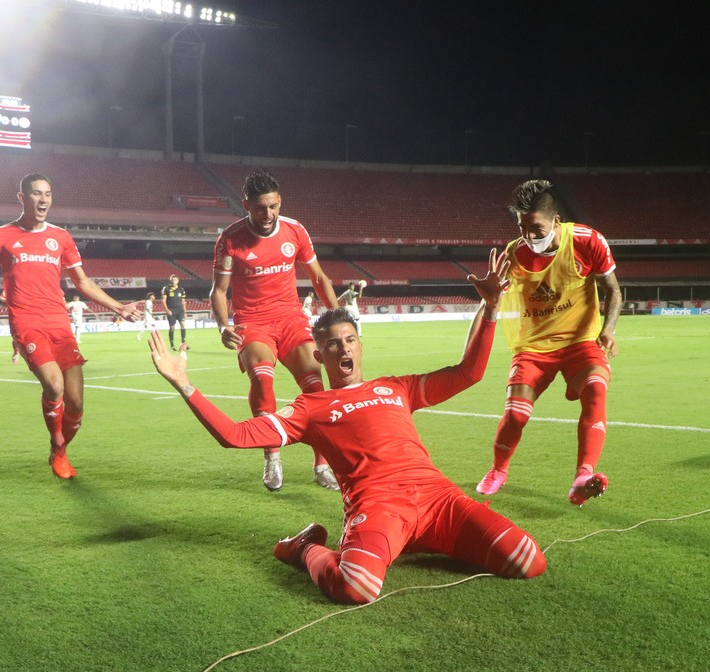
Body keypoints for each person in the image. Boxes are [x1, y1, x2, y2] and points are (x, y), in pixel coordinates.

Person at [149, 250, 546, 604]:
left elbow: (468, 373)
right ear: (319, 354)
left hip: (437, 498)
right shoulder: (311, 407)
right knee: (355, 586)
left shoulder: (397, 388)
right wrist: (184, 383)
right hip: (378, 507)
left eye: (350, 340)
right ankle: (304, 548)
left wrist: (490, 307)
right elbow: (234, 435)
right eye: (333, 343)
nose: (343, 348)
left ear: (360, 345)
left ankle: (416, 540)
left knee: (528, 559)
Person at [475, 179, 622, 507]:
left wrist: (608, 330)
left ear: (556, 221)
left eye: (536, 228)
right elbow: (499, 298)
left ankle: (583, 477)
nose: (528, 235)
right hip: (534, 347)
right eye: (521, 227)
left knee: (596, 391)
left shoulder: (587, 241)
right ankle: (499, 469)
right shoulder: (515, 254)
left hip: (580, 342)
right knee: (516, 415)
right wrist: (492, 296)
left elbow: (613, 289)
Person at [0, 173, 140, 479]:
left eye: (48, 194)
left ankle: (59, 449)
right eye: (36, 194)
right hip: (26, 322)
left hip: (59, 323)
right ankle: (57, 443)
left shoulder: (61, 237)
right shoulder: (1, 236)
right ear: (22, 198)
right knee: (54, 385)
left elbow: (82, 282)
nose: (43, 200)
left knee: (77, 406)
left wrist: (119, 307)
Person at [210, 170, 340, 492]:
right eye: (259, 208)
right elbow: (218, 290)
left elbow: (320, 278)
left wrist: (337, 319)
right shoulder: (230, 238)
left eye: (273, 206)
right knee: (263, 379)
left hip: (291, 319)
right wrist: (224, 326)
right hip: (252, 322)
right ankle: (272, 455)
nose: (267, 215)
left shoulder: (295, 230)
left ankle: (322, 465)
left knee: (316, 389)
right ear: (246, 205)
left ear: (279, 202)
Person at [161, 274, 187, 350]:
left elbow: (183, 301)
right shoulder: (166, 289)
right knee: (172, 327)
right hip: (171, 311)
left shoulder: (181, 289)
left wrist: (185, 312)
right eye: (172, 279)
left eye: (175, 279)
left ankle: (183, 343)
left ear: (178, 281)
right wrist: (167, 310)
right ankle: (172, 345)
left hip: (180, 310)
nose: (174, 281)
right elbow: (163, 301)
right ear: (170, 280)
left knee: (183, 325)